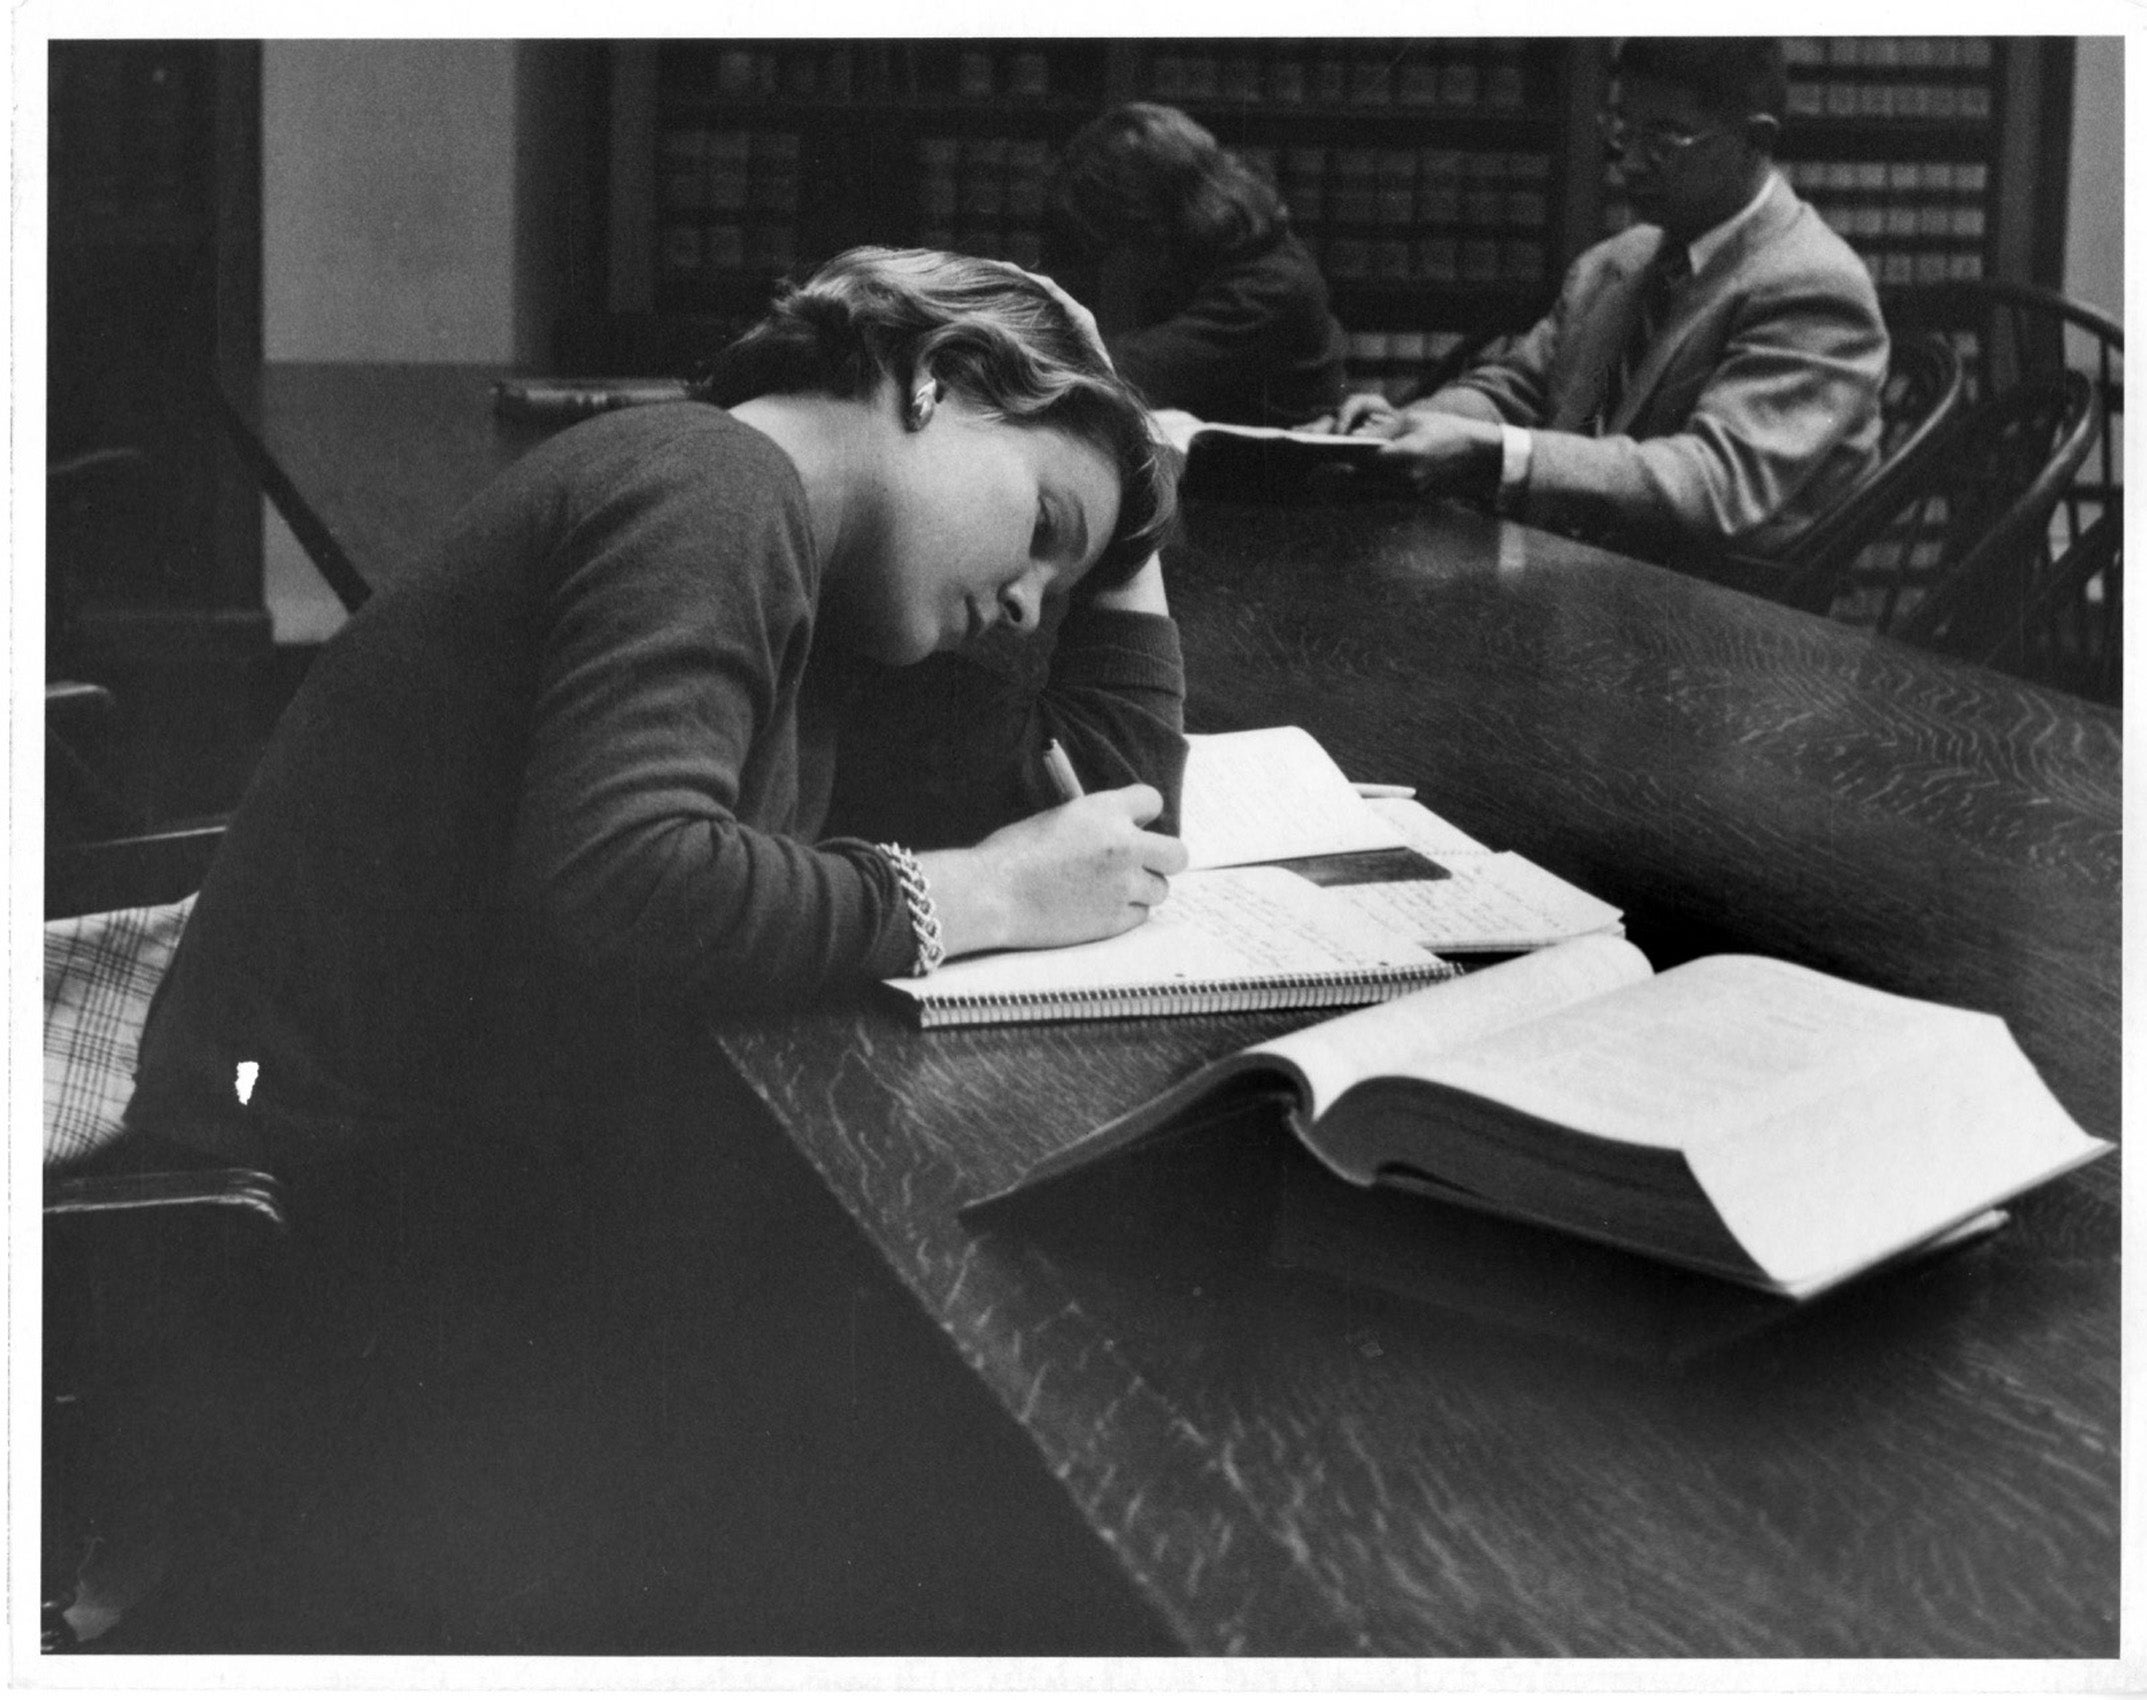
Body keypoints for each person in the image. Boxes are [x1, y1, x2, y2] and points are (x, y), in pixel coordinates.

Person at [119, 247, 1190, 1178]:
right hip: (313, 1184)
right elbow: (626, 876)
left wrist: (1124, 512)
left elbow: (1110, 833)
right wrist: (981, 893)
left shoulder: (805, 573)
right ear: (939, 378)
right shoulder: (712, 487)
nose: (1026, 606)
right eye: (1046, 527)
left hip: (366, 1144)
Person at [1327, 38, 1887, 569]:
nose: (1631, 161)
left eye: (1665, 139)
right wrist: (1409, 423)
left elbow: (1713, 484)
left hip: (1728, 625)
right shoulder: (1623, 259)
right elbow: (1518, 390)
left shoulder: (1812, 283)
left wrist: (1497, 453)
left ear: (1756, 141)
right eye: (1624, 128)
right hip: (1591, 582)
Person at [1045, 102, 1349, 428]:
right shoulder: (1214, 255)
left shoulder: (1273, 283)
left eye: (1125, 236)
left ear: (1152, 216)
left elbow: (1130, 369)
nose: (1118, 255)